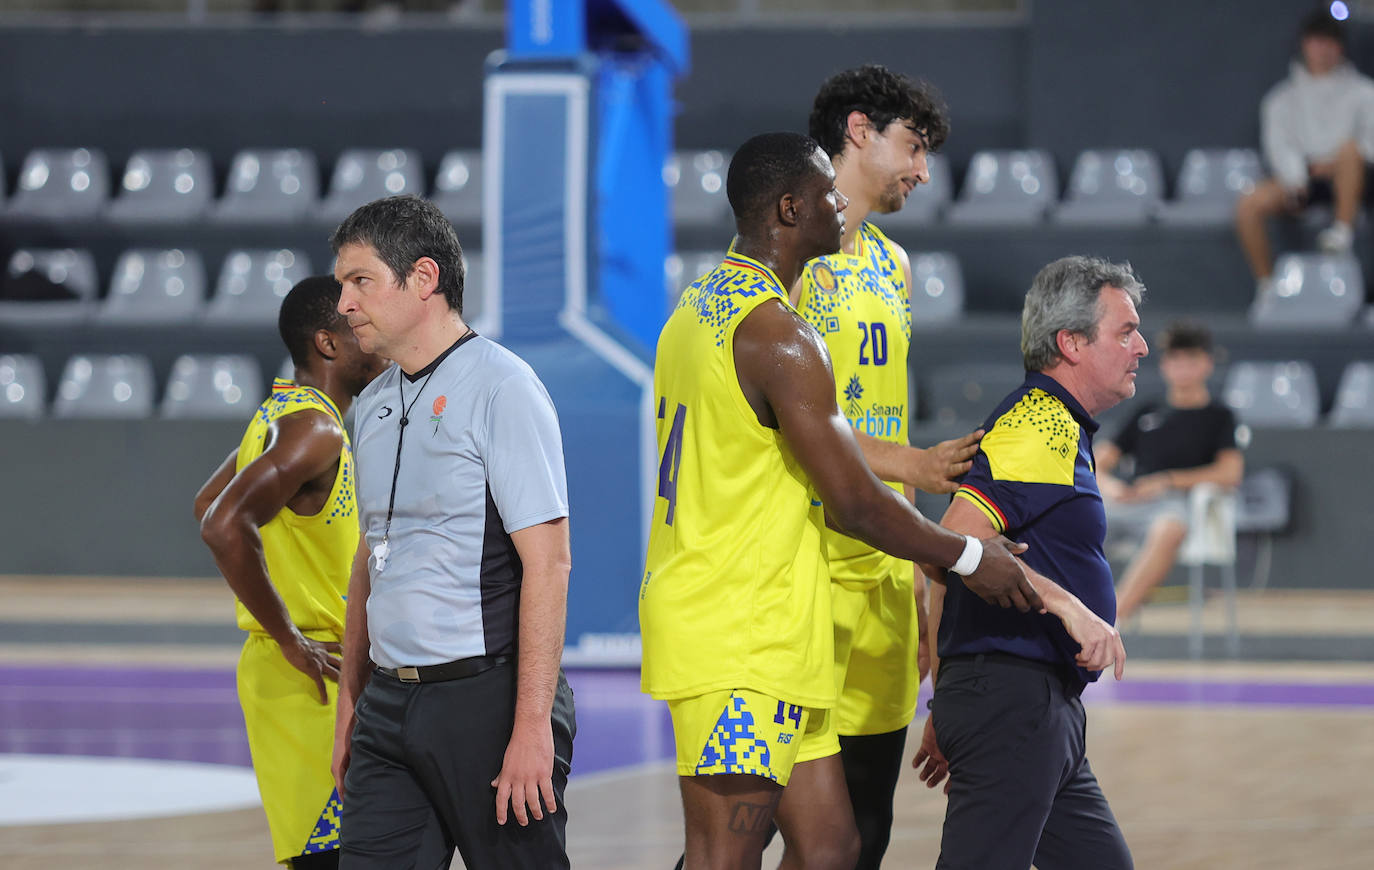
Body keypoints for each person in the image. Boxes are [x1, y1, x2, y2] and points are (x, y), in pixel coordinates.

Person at [641, 131, 1040, 870]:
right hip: (735, 630)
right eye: (827, 193)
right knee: (725, 855)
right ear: (790, 210)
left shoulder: (699, 308)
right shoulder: (779, 336)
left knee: (831, 847)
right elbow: (855, 499)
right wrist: (967, 557)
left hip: (775, 627)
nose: (840, 204)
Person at [328, 195, 576, 869]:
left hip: (488, 705)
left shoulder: (504, 388)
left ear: (424, 279)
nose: (345, 303)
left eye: (361, 282)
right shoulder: (371, 404)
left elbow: (549, 564)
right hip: (388, 709)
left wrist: (531, 727)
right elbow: (368, 565)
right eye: (342, 286)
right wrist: (352, 704)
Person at [792, 64, 979, 869]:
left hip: (880, 578)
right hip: (795, 574)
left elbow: (877, 414)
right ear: (859, 130)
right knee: (750, 826)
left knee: (865, 828)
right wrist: (914, 464)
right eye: (913, 146)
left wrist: (921, 572)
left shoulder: (895, 266)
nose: (923, 171)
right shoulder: (784, 251)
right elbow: (791, 422)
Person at [913, 255, 1138, 870]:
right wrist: (1071, 608)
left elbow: (944, 564)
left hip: (1030, 707)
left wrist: (947, 695)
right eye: (1124, 332)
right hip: (1013, 701)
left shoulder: (1062, 426)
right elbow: (954, 543)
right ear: (1070, 343)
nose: (1141, 346)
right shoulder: (1040, 422)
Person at [194, 275, 387, 869]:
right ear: (328, 343)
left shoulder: (280, 413)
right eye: (360, 327)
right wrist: (291, 636)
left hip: (298, 674)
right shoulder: (318, 429)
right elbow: (222, 523)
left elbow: (207, 500)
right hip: (313, 680)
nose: (376, 338)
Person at [1097, 321, 1244, 625]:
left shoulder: (1219, 416)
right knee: (1075, 519)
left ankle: (1110, 623)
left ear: (1206, 363)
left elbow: (1230, 472)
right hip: (1128, 501)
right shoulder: (1147, 411)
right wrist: (1110, 487)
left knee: (1170, 528)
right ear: (1165, 365)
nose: (1183, 369)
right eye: (1175, 360)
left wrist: (1167, 481)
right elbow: (1099, 461)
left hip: (1175, 504)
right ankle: (1059, 616)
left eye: (1191, 360)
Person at [1235, 6, 1374, 300]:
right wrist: (1298, 178)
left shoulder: (1365, 92)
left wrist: (1336, 165)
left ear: (1341, 47)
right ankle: (1268, 287)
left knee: (1350, 152)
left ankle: (1341, 233)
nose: (1323, 50)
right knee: (1249, 205)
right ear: (1305, 45)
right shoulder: (1280, 99)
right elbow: (1279, 146)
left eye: (1330, 42)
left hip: (1354, 178)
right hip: (1302, 179)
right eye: (1317, 42)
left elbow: (1369, 142)